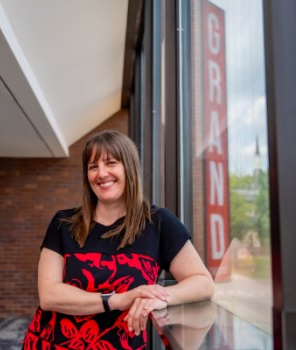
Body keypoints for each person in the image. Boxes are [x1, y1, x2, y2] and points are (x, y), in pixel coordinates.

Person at [22, 130, 215, 349]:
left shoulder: (158, 223)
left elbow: (203, 282)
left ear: (129, 168)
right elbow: (49, 296)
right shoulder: (63, 223)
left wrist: (157, 297)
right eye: (93, 167)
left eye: (110, 163)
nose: (101, 173)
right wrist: (118, 299)